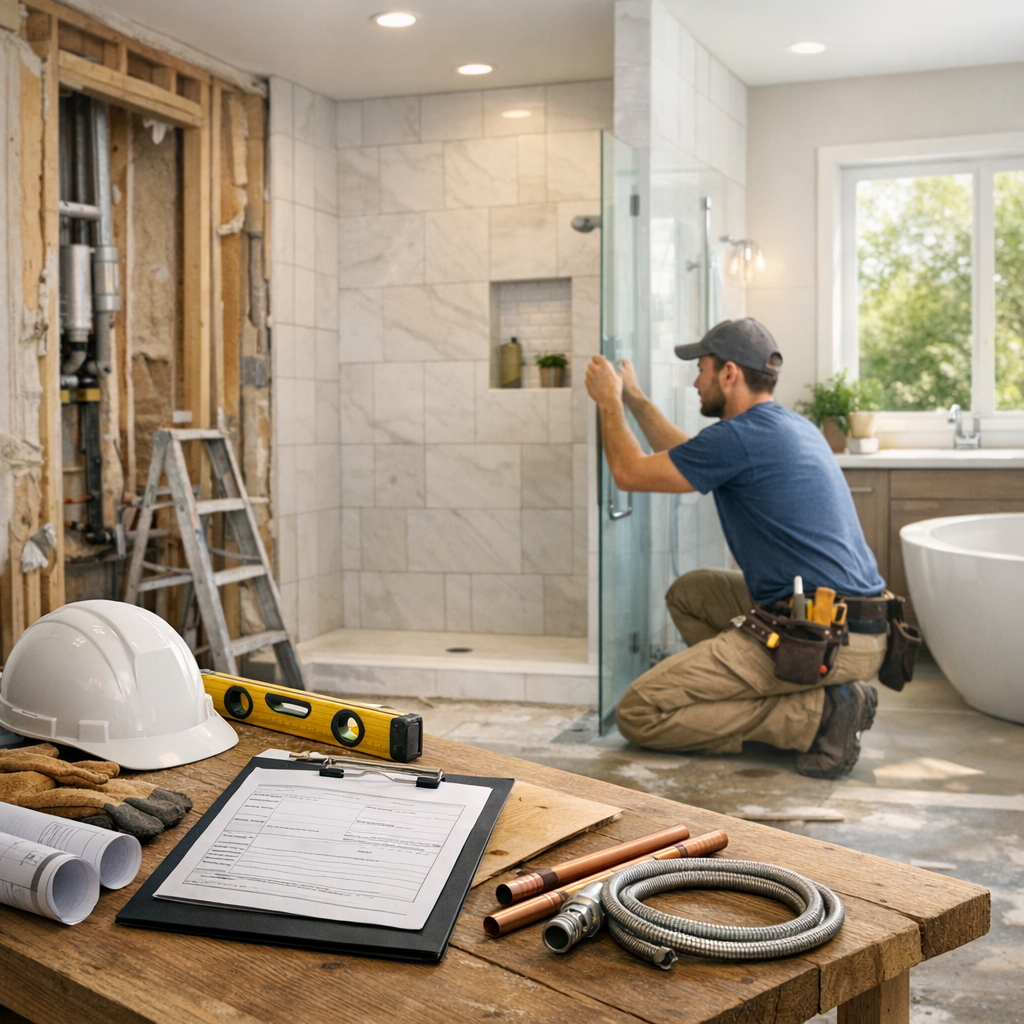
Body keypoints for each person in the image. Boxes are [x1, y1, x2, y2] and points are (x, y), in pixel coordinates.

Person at [584, 318, 888, 778]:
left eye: (702, 369)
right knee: (691, 593)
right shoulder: (781, 426)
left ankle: (817, 716)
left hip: (822, 634)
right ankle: (772, 687)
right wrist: (636, 399)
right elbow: (686, 455)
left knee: (640, 711)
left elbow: (629, 473)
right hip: (853, 622)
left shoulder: (741, 437)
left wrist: (608, 400)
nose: (695, 381)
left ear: (729, 374)